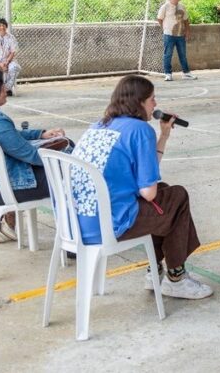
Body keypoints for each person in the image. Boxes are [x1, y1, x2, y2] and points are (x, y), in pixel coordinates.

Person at [71, 75, 211, 299]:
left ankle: (154, 271)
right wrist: (156, 134)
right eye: (152, 99)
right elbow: (148, 192)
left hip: (77, 222)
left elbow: (145, 178)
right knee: (177, 197)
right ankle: (176, 278)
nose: (155, 105)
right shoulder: (140, 130)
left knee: (164, 196)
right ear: (139, 103)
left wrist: (164, 135)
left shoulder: (98, 126)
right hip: (107, 224)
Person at [0, 64, 71, 242]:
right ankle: (73, 236)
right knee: (71, 175)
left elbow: (12, 136)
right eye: (1, 86)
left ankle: (6, 225)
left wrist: (41, 134)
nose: (5, 89)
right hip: (5, 190)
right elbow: (31, 155)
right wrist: (64, 155)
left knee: (64, 163)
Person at [157, 0, 195, 82]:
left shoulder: (182, 7)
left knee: (182, 54)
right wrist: (164, 28)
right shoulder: (165, 7)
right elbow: (159, 19)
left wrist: (187, 31)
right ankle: (168, 74)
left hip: (180, 35)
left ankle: (186, 73)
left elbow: (186, 20)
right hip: (169, 34)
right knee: (168, 54)